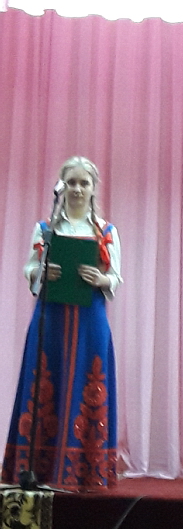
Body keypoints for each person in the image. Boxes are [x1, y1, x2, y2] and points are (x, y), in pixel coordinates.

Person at [2, 156, 122, 491]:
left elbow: (116, 277)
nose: (77, 189)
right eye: (72, 182)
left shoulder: (106, 232)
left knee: (87, 380)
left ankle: (86, 469)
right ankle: (35, 467)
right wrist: (43, 272)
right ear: (62, 186)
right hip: (50, 317)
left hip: (90, 318)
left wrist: (101, 278)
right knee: (45, 380)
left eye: (84, 183)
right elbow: (29, 268)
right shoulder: (46, 230)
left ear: (94, 188)